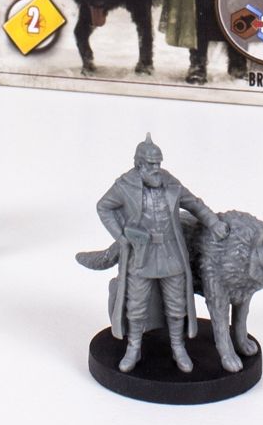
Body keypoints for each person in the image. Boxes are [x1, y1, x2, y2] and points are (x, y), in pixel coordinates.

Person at [94, 135, 228, 374]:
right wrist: (121, 237)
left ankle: (178, 347)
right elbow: (103, 206)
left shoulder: (169, 182)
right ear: (139, 164)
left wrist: (214, 222)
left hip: (170, 253)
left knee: (176, 305)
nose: (157, 168)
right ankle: (133, 347)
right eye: (151, 164)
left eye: (159, 163)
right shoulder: (125, 186)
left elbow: (194, 203)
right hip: (141, 254)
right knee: (136, 306)